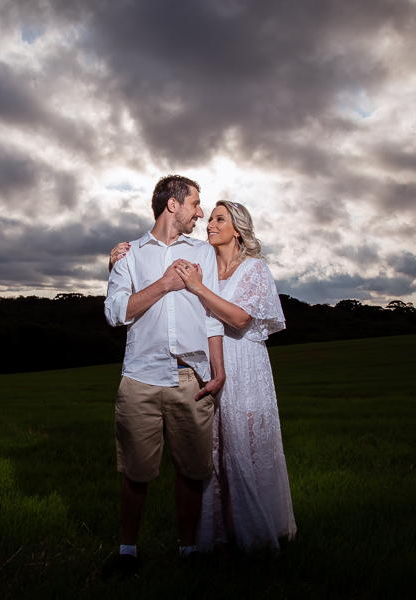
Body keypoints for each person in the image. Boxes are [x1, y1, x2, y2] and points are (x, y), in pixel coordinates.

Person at [110, 200, 296, 554]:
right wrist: (120, 259)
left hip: (241, 363)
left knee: (242, 448)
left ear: (237, 230)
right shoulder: (203, 260)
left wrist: (197, 288)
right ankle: (217, 534)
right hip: (206, 364)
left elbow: (240, 320)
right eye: (206, 215)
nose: (208, 222)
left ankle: (255, 531)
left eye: (218, 219)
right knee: (213, 453)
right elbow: (151, 271)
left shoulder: (253, 269)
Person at [104, 175, 226, 578]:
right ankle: (127, 553)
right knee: (136, 473)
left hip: (192, 379)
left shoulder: (203, 254)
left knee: (193, 471)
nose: (200, 212)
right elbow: (115, 312)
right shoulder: (129, 254)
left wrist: (217, 370)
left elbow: (211, 317)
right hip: (140, 378)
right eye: (195, 203)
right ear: (172, 205)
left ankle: (188, 551)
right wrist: (165, 283)